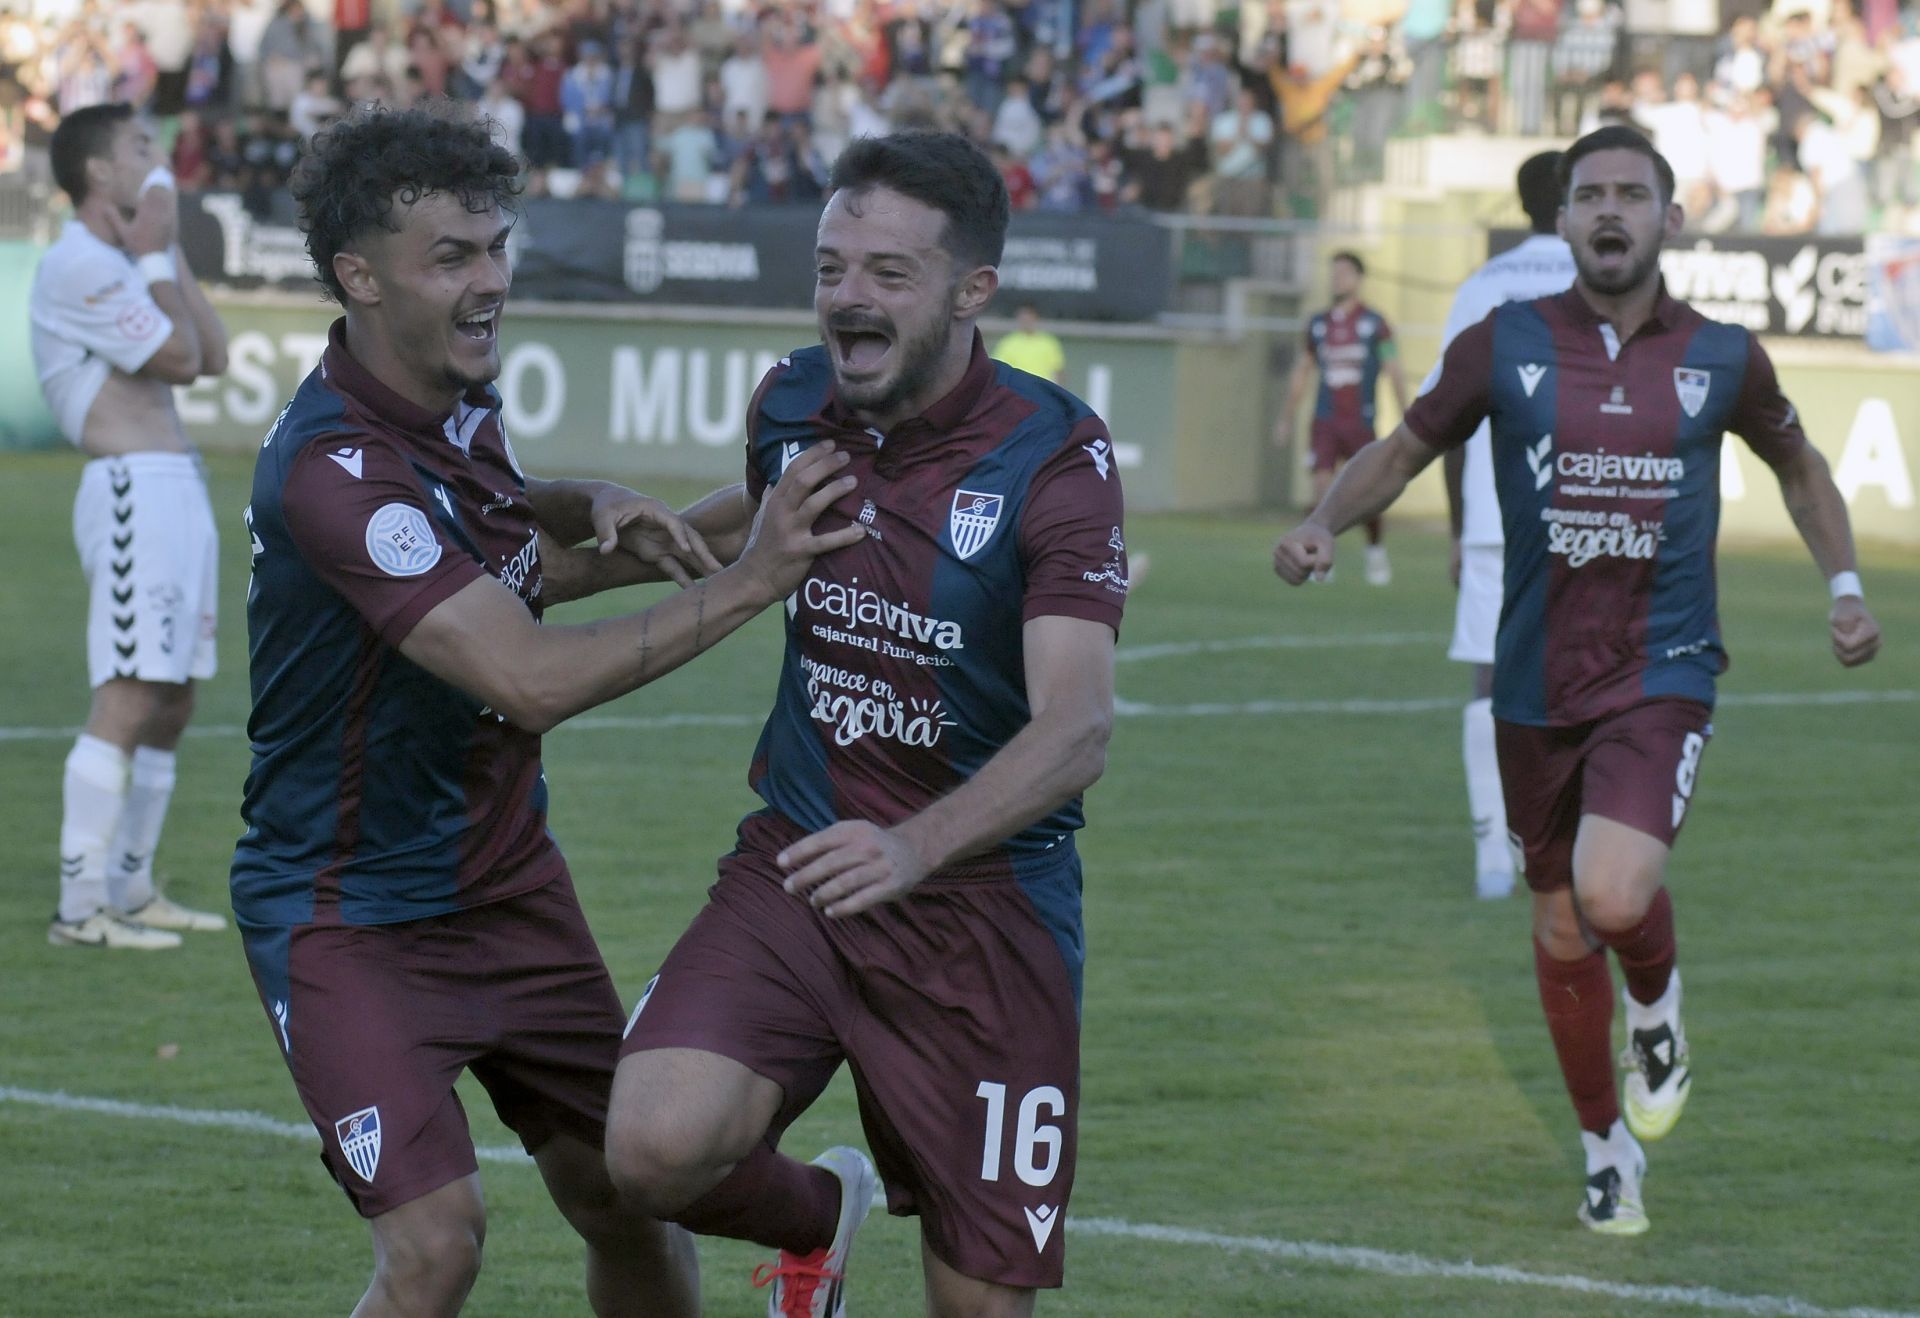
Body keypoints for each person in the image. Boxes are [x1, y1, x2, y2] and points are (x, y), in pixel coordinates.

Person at [232, 101, 863, 1316]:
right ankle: (820, 1222)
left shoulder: (455, 398)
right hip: (345, 912)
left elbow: (498, 569)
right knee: (434, 1246)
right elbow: (522, 672)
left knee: (623, 1197)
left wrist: (590, 508)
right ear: (358, 276)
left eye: (495, 248)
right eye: (452, 258)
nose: (490, 283)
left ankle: (817, 1221)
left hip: (504, 883)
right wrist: (753, 578)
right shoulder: (331, 470)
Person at [1273, 126, 1882, 1234]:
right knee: (1559, 930)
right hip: (1534, 679)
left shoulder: (1723, 355)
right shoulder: (1505, 343)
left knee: (1611, 895)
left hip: (1664, 666)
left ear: (1670, 219)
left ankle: (1656, 1003)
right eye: (1590, 195)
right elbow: (1406, 448)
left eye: (1632, 195)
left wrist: (1843, 581)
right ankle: (1607, 1149)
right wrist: (1323, 522)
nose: (1610, 211)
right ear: (1562, 222)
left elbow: (1797, 461)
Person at [603, 131, 1129, 1318]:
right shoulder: (793, 397)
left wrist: (914, 846)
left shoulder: (1055, 456)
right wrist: (649, 539)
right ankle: (816, 1219)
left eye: (889, 273)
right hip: (799, 862)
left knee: (979, 1305)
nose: (849, 297)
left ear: (970, 291)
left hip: (982, 914)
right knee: (650, 1147)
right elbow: (769, 502)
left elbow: (1079, 723)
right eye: (834, 266)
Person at [31, 103, 230, 950]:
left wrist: (164, 247)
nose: (159, 160)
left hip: (174, 487)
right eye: (141, 148)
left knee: (174, 697)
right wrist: (152, 251)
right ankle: (79, 909)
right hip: (129, 491)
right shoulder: (80, 263)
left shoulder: (128, 258)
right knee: (128, 692)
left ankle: (133, 885)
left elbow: (214, 350)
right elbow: (180, 360)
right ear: (98, 173)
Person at [1425, 151, 1576, 900]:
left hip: (1494, 512)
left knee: (1490, 678)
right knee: (1585, 676)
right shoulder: (1600, 282)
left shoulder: (1483, 287)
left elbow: (1446, 421)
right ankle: (1562, 844)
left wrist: (1458, 526)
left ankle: (1493, 853)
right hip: (1593, 512)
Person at [1275, 250, 1408, 586]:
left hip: (1361, 421)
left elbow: (1393, 368)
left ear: (1359, 279)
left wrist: (1407, 414)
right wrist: (1286, 418)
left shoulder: (1376, 324)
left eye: (1345, 272)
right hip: (1326, 420)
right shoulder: (1318, 325)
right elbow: (1302, 371)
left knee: (1367, 493)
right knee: (1321, 485)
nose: (1338, 278)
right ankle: (1318, 559)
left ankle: (1375, 550)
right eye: (1334, 272)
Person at [991, 301, 1066, 384]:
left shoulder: (1049, 342)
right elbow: (999, 370)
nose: (1026, 320)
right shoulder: (1007, 343)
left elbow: (1058, 371)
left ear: (1035, 317)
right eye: (1023, 317)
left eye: (1029, 317)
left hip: (1041, 389)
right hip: (1017, 391)